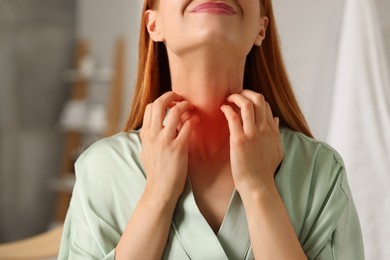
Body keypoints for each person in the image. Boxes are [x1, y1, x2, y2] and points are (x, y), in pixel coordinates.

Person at [58, 0, 365, 259]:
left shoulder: (320, 171)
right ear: (154, 25)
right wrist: (157, 195)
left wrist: (260, 189)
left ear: (261, 27)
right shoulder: (102, 170)